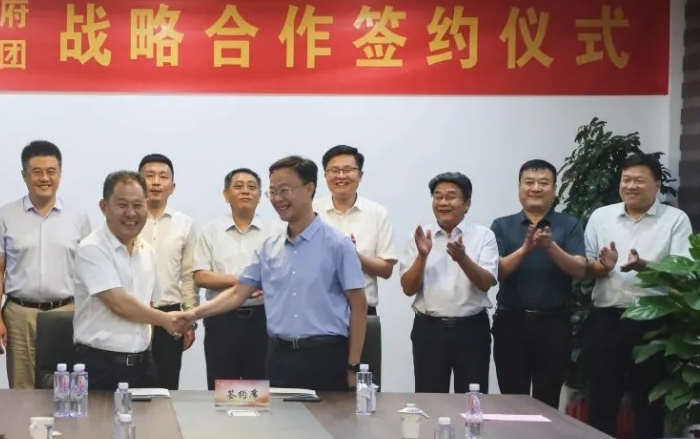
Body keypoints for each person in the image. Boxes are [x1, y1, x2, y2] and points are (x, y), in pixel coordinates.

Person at [184, 156, 367, 392]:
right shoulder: (269, 246)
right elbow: (238, 293)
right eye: (272, 192)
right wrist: (192, 314)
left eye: (284, 190)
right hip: (278, 357)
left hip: (325, 356)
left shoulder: (338, 244)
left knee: (327, 416)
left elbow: (359, 307)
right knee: (261, 412)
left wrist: (353, 366)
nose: (277, 199)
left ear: (309, 189)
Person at [581, 152, 693, 439]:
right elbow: (586, 265)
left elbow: (684, 271)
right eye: (626, 179)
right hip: (606, 319)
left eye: (639, 180)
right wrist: (602, 266)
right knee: (601, 397)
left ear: (657, 184)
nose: (631, 186)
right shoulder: (601, 216)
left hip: (653, 322)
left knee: (648, 401)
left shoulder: (675, 220)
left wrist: (644, 266)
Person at [0, 141, 89, 388]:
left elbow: (88, 272)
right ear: (24, 175)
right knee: (22, 390)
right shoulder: (6, 215)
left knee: (65, 389)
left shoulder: (78, 218)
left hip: (66, 314)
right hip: (19, 316)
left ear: (60, 174)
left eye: (51, 171)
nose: (45, 178)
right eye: (37, 172)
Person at [72, 170, 184, 390]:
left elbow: (149, 304)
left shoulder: (148, 252)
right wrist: (167, 320)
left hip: (143, 366)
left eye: (138, 205)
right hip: (99, 367)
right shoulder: (91, 248)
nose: (131, 213)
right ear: (104, 207)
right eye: (122, 205)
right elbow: (119, 303)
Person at [490, 160, 585, 408]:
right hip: (511, 322)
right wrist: (525, 249)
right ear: (519, 187)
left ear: (554, 189)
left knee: (548, 398)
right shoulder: (502, 225)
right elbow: (496, 272)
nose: (535, 188)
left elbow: (579, 268)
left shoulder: (569, 224)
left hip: (554, 324)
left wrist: (550, 247)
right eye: (529, 182)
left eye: (543, 183)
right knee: (512, 399)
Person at [399, 172, 498, 394]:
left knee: (472, 399)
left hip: (472, 330)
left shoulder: (484, 236)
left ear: (467, 204)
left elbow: (486, 283)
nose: (443, 202)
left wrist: (462, 258)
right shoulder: (420, 236)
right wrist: (422, 256)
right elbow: (408, 288)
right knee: (429, 399)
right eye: (438, 196)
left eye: (451, 196)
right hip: (429, 330)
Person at [193, 168, 278, 389]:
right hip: (221, 320)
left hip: (262, 320)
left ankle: (255, 414)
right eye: (238, 186)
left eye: (252, 187)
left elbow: (281, 273)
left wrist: (257, 284)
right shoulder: (211, 231)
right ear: (226, 194)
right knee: (223, 388)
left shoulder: (275, 231)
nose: (245, 191)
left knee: (258, 390)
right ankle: (225, 415)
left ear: (260, 196)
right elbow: (201, 276)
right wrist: (242, 283)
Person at [314, 145, 397, 317]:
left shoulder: (377, 213)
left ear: (360, 175)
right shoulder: (311, 212)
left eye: (348, 170)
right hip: (318, 311)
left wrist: (354, 256)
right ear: (325, 176)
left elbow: (386, 270)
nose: (341, 176)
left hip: (362, 310)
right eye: (334, 170)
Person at [139, 154, 198, 389]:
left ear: (172, 187)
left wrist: (190, 319)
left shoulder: (185, 224)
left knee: (167, 386)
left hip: (171, 316)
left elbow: (188, 276)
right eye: (149, 176)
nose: (156, 182)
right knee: (131, 385)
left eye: (163, 177)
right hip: (135, 312)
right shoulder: (128, 220)